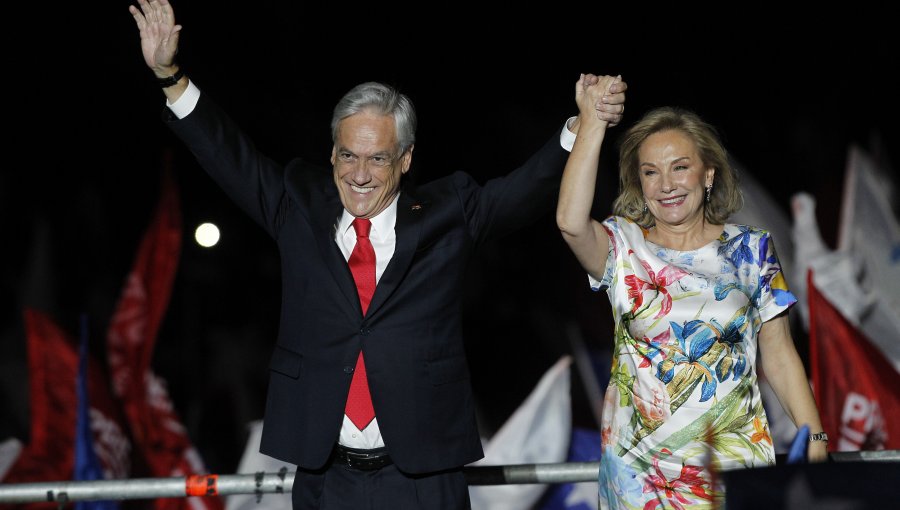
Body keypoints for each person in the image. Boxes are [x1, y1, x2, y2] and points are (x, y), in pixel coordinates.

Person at [129, 1, 626, 508]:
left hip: (423, 473)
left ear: (405, 159)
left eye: (377, 158)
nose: (359, 174)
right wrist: (171, 77)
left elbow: (523, 189)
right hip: (325, 472)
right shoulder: (296, 203)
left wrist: (581, 126)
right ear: (331, 154)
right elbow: (226, 153)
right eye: (348, 155)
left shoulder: (447, 210)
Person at [556, 77, 827, 509]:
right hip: (640, 477)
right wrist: (592, 121)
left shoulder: (752, 248)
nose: (666, 184)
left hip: (734, 466)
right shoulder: (623, 247)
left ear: (708, 174)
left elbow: (777, 354)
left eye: (679, 166)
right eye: (650, 172)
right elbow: (571, 222)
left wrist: (814, 431)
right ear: (639, 183)